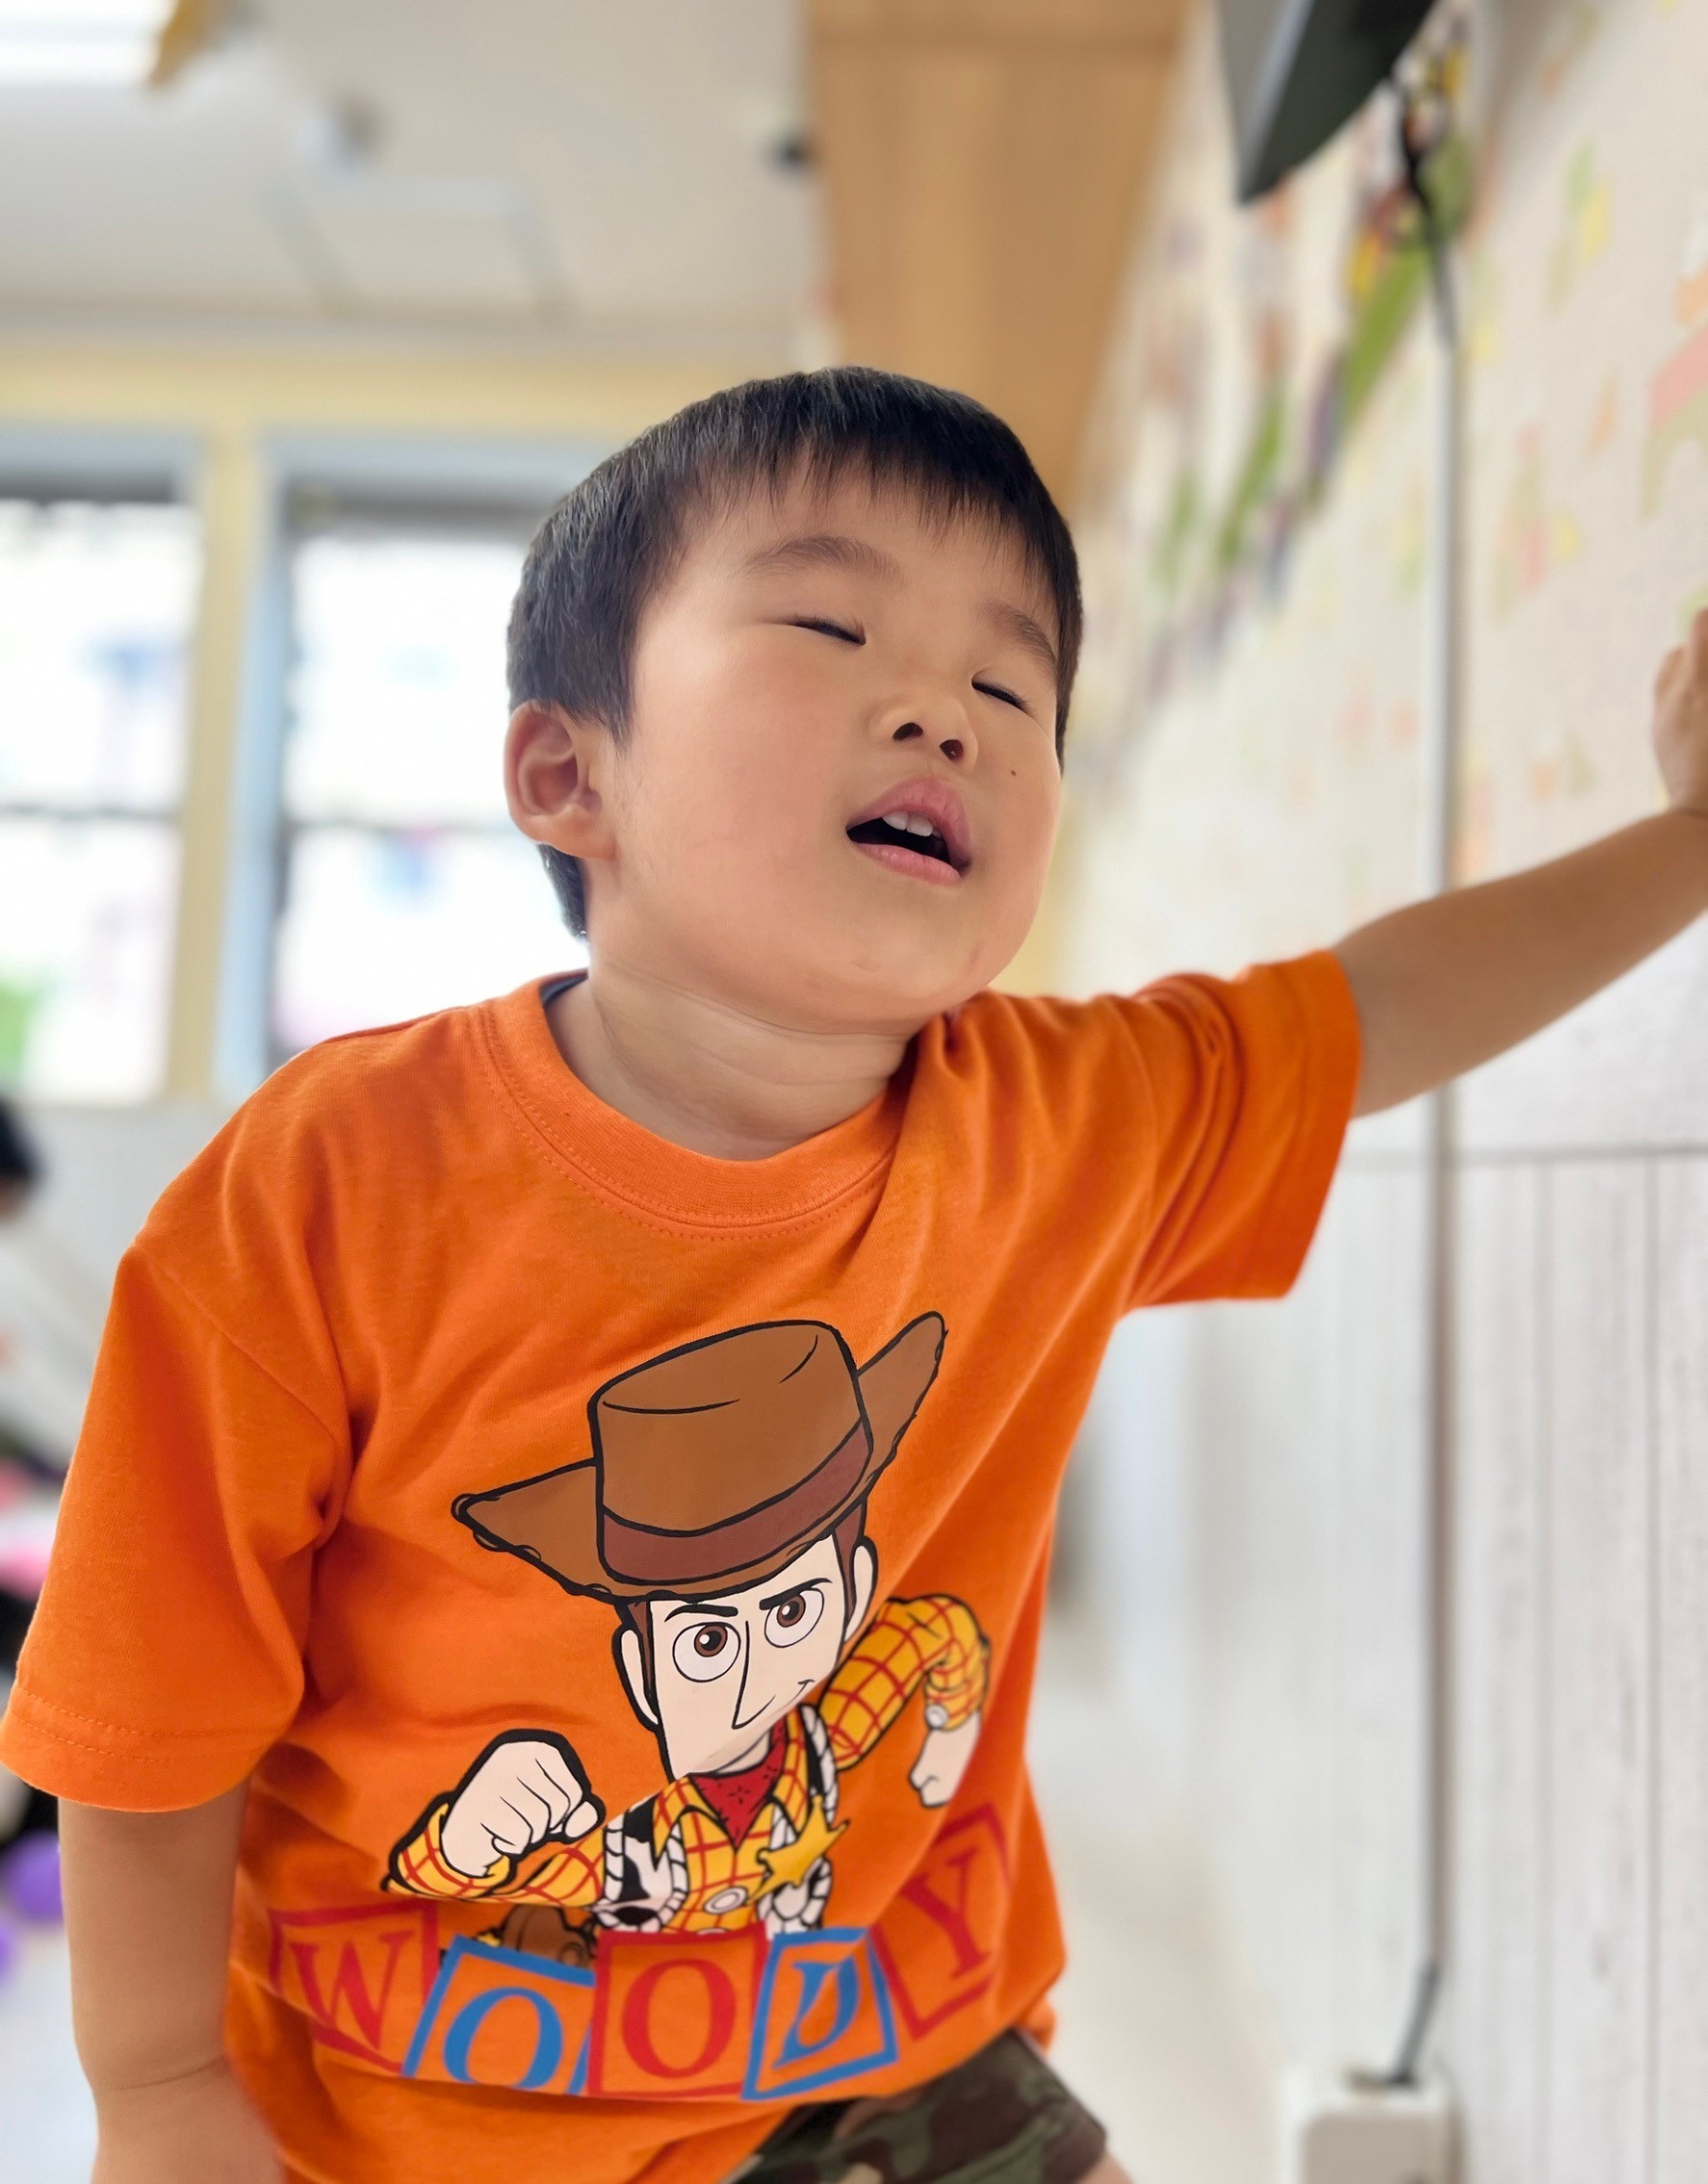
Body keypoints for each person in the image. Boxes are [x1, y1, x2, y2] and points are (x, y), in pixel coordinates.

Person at [1, 371, 1703, 2184]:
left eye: (1010, 688)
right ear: (569, 773)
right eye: (829, 628)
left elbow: (1372, 1011)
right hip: (419, 2113)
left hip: (898, 2061)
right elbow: (147, 1702)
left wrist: (1687, 841)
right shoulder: (328, 1186)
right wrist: (157, 2090)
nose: (940, 712)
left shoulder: (1061, 1125)